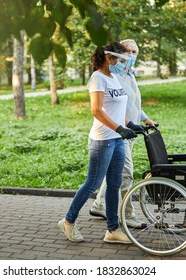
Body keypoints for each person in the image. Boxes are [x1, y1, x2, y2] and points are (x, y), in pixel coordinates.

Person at [58, 42, 138, 244]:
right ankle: (68, 221)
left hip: (117, 140)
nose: (121, 63)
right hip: (103, 140)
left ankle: (112, 230)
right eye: (119, 59)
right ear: (109, 58)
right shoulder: (97, 79)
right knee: (92, 183)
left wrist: (131, 125)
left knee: (114, 184)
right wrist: (119, 128)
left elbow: (118, 109)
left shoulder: (113, 78)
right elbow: (97, 110)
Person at [89, 39, 156, 229]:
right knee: (126, 174)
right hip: (117, 133)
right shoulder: (113, 75)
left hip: (130, 131)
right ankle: (128, 214)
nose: (132, 55)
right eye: (128, 51)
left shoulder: (130, 75)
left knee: (114, 173)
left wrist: (145, 119)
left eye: (135, 52)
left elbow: (132, 103)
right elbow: (108, 108)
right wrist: (122, 127)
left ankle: (100, 205)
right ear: (118, 54)